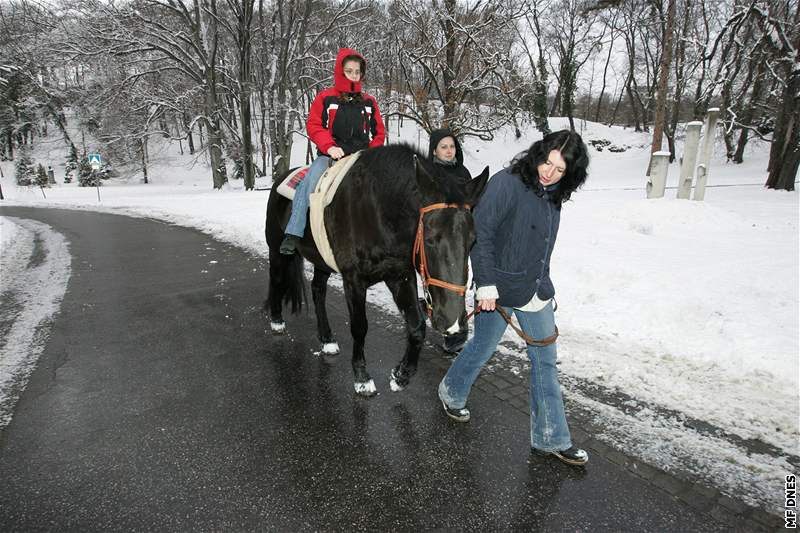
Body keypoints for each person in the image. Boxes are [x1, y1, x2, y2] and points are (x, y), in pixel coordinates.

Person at [437, 129, 590, 466]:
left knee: (545, 361)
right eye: (547, 163)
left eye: (560, 170)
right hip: (498, 287)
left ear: (570, 174)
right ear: (539, 153)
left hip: (535, 289)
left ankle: (550, 438)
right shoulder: (507, 183)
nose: (549, 172)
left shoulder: (554, 193)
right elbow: (482, 232)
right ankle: (451, 391)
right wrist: (486, 284)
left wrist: (542, 278)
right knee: (483, 346)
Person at [280, 48, 385, 254]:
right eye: (349, 71)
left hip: (361, 157)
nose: (354, 75)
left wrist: (372, 151)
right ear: (340, 71)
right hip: (330, 156)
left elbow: (379, 132)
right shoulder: (325, 98)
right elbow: (314, 125)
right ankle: (293, 233)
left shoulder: (369, 102)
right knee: (309, 183)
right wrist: (329, 146)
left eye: (357, 71)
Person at [428, 128, 470, 353]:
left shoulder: (463, 172)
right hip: (435, 239)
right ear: (434, 150)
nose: (448, 150)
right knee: (441, 284)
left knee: (459, 283)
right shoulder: (429, 173)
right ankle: (444, 322)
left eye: (452, 146)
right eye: (443, 146)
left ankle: (458, 331)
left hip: (459, 239)